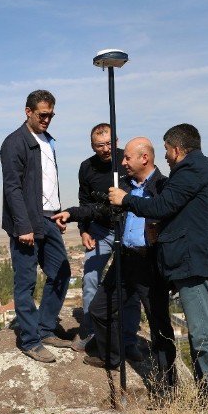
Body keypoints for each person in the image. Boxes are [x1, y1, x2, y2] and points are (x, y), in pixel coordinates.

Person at [108, 124, 208, 414]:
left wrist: (126, 199)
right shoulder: (197, 170)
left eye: (168, 151)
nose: (166, 158)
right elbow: (177, 213)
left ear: (177, 149)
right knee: (200, 339)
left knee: (206, 338)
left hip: (198, 265)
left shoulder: (192, 170)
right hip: (193, 264)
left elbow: (162, 205)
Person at [53, 138, 176, 389]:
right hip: (125, 259)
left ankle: (168, 387)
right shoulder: (124, 187)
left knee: (158, 326)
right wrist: (72, 213)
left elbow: (164, 214)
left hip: (150, 264)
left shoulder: (163, 187)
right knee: (99, 310)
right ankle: (111, 357)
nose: (123, 162)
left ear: (144, 158)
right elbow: (100, 210)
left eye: (127, 158)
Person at [0, 89, 72, 363]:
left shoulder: (47, 141)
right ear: (28, 112)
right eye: (43, 115)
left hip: (50, 218)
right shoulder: (14, 143)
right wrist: (23, 226)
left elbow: (48, 183)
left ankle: (44, 328)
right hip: (28, 221)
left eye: (51, 115)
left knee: (61, 272)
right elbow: (13, 188)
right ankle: (30, 340)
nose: (47, 120)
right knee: (26, 282)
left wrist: (58, 212)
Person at [71, 123, 142, 360]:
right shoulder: (86, 168)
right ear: (92, 145)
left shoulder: (126, 161)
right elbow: (84, 200)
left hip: (127, 230)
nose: (105, 149)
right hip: (99, 230)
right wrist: (84, 230)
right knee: (91, 279)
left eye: (109, 143)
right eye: (99, 145)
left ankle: (129, 341)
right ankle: (91, 332)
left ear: (117, 141)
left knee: (129, 287)